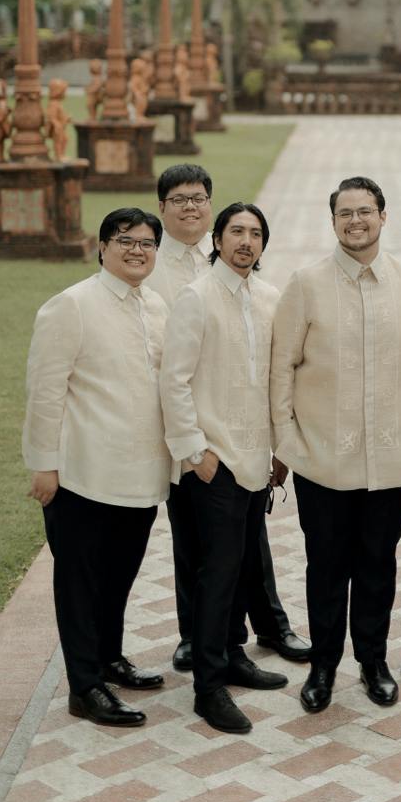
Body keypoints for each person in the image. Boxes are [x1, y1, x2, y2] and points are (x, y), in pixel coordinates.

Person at [270, 175, 401, 714]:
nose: (356, 221)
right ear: (333, 221)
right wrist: (287, 439)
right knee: (325, 564)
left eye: (365, 211)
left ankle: (373, 660)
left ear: (383, 217)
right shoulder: (305, 283)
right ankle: (324, 665)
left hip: (391, 460)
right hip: (323, 459)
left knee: (379, 562)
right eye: (345, 213)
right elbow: (282, 367)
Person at [146, 164, 308, 675]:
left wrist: (280, 443)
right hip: (187, 429)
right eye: (179, 199)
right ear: (163, 208)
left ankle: (262, 627)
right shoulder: (151, 266)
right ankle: (200, 640)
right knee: (196, 543)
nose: (190, 206)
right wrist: (193, 447)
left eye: (199, 198)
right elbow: (169, 369)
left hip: (243, 435)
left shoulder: (260, 289)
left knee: (243, 543)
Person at [23, 208, 170, 728]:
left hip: (140, 476)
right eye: (125, 240)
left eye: (148, 243)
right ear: (102, 247)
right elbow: (44, 392)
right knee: (80, 583)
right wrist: (43, 465)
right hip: (82, 474)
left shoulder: (156, 306)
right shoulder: (71, 306)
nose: (137, 250)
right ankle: (84, 687)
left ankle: (109, 658)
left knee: (119, 576)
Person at [159, 202, 286, 733]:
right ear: (217, 238)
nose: (246, 242)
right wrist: (196, 451)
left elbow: (276, 381)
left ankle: (233, 656)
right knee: (214, 575)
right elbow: (174, 380)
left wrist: (280, 450)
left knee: (238, 570)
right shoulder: (196, 297)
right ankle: (207, 688)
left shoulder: (270, 298)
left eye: (255, 234)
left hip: (257, 458)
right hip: (215, 462)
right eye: (236, 231)